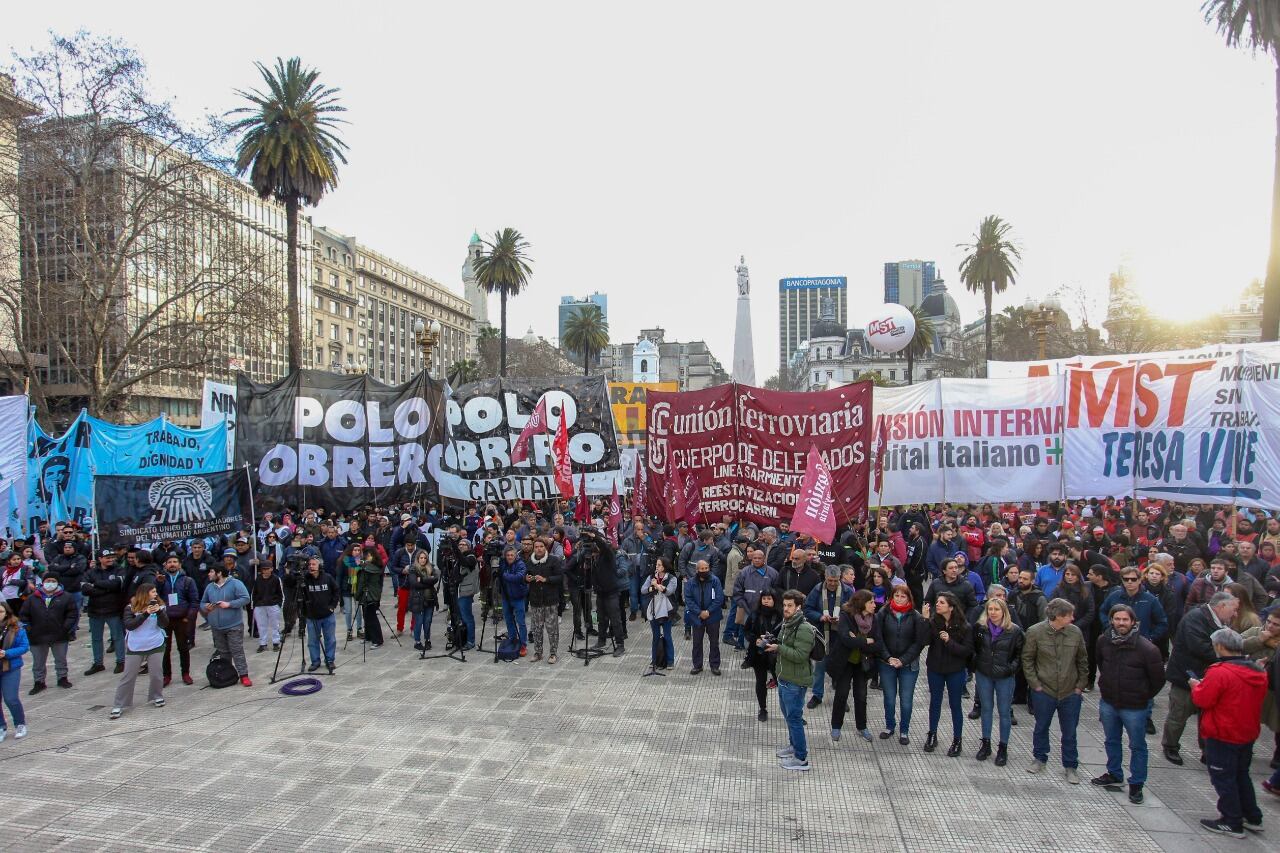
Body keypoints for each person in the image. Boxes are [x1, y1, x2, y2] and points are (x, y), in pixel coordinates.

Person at [1191, 627, 1267, 838]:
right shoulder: (1257, 671)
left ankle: (1231, 820)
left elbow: (1202, 700)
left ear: (1220, 647)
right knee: (1241, 774)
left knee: (1223, 778)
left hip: (1223, 732)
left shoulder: (1219, 672)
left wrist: (1196, 686)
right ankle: (1252, 816)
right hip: (1247, 731)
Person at [1091, 603, 1165, 804]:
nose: (1121, 623)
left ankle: (1137, 783)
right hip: (1109, 702)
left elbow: (1158, 679)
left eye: (1125, 619)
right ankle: (1114, 773)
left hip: (1135, 706)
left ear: (1133, 622)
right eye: (1117, 619)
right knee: (1111, 740)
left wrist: (1143, 695)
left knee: (1137, 745)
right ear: (1111, 621)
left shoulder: (1147, 649)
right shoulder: (1103, 641)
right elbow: (1100, 664)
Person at [1161, 590, 1240, 766]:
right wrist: (1229, 656)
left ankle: (1206, 750)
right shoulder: (1195, 618)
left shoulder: (1219, 621)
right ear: (1221, 606)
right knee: (1179, 714)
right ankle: (1170, 746)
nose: (1235, 614)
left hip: (1207, 679)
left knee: (1206, 717)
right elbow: (1200, 648)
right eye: (1233, 609)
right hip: (1187, 677)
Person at [1022, 597, 1088, 783]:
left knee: (1070, 731)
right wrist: (1035, 685)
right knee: (1041, 726)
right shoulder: (1035, 632)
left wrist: (1079, 686)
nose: (1072, 619)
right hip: (1045, 690)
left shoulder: (1075, 633)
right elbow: (1027, 660)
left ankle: (1070, 766)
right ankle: (1039, 758)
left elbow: (1083, 661)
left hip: (1070, 692)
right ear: (1058, 616)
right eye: (1069, 616)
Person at [872, 585, 929, 745]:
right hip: (886, 662)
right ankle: (890, 726)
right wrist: (888, 657)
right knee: (889, 698)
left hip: (908, 665)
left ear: (909, 598)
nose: (899, 599)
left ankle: (904, 730)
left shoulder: (915, 616)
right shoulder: (883, 613)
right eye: (896, 596)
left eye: (902, 596)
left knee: (906, 699)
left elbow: (919, 642)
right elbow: (879, 637)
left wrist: (903, 660)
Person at [973, 597, 1023, 766]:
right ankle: (985, 743)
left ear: (1004, 612)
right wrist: (976, 664)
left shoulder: (1014, 630)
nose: (993, 613)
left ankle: (1003, 746)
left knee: (1004, 711)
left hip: (1005, 676)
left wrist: (1011, 669)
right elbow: (974, 648)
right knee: (986, 708)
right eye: (990, 609)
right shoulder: (980, 628)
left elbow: (1019, 654)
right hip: (984, 673)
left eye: (996, 609)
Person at [768, 589, 815, 771]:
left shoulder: (803, 628)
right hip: (784, 677)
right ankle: (794, 746)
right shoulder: (788, 622)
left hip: (795, 681)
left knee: (794, 719)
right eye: (785, 605)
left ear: (798, 607)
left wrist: (778, 648)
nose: (786, 608)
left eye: (790, 606)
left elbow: (800, 655)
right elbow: (782, 643)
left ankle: (801, 758)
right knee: (789, 717)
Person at [924, 591, 974, 757]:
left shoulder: (965, 626)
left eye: (942, 602)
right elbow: (924, 641)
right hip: (935, 669)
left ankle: (957, 739)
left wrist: (949, 642)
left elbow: (966, 651)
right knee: (935, 703)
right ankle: (932, 734)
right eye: (937, 602)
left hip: (955, 670)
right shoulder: (933, 623)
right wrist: (924, 621)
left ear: (951, 607)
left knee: (955, 705)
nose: (937, 604)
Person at [110, 583, 167, 720]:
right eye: (153, 592)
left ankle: (157, 696)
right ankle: (119, 704)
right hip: (135, 646)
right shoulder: (130, 607)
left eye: (155, 592)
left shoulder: (160, 605)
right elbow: (130, 625)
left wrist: (159, 612)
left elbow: (164, 624)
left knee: (156, 674)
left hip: (155, 643)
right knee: (128, 676)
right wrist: (146, 613)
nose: (155, 594)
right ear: (144, 593)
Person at [827, 589, 877, 742]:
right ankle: (836, 726)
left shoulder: (875, 618)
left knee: (861, 695)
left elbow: (878, 643)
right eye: (871, 602)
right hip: (845, 662)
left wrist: (858, 640)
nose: (874, 605)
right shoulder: (846, 616)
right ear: (862, 603)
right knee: (841, 694)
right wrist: (865, 640)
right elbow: (845, 639)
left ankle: (862, 726)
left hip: (863, 662)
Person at [19, 572, 77, 694]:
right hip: (37, 636)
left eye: (53, 581)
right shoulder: (32, 598)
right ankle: (39, 682)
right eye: (48, 581)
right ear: (43, 582)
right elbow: (24, 616)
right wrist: (29, 629)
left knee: (61, 659)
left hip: (59, 635)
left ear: (58, 582)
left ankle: (62, 678)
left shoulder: (66, 597)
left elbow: (72, 614)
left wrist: (65, 628)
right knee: (38, 661)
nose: (50, 583)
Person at [804, 565, 851, 711]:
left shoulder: (847, 591)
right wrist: (820, 617)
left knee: (841, 667)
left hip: (840, 636)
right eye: (830, 580)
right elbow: (807, 609)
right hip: (822, 635)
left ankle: (841, 696)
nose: (832, 583)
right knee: (819, 667)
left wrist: (841, 619)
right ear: (825, 578)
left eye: (835, 581)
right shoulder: (817, 590)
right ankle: (817, 695)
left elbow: (853, 611)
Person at [200, 557, 252, 687]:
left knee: (237, 650)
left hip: (234, 625)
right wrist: (206, 607)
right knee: (223, 652)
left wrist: (229, 604)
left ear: (219, 573)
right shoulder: (209, 587)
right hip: (216, 626)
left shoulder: (235, 583)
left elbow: (245, 598)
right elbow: (202, 602)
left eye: (211, 572)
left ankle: (243, 675)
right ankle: (226, 674)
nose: (209, 574)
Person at [80, 549, 127, 676]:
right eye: (107, 557)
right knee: (96, 639)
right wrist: (107, 588)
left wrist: (96, 584)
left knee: (118, 637)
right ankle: (98, 663)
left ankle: (121, 661)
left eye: (112, 557)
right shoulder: (91, 572)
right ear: (100, 559)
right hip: (95, 610)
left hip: (113, 610)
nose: (110, 559)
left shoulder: (119, 570)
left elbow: (117, 584)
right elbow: (85, 589)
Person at [154, 555, 199, 688]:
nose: (172, 564)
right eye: (169, 562)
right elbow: (154, 597)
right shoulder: (160, 579)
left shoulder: (187, 580)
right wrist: (159, 583)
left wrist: (189, 617)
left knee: (183, 648)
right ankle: (166, 675)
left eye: (175, 562)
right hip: (165, 619)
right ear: (165, 565)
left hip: (182, 618)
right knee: (165, 649)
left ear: (179, 565)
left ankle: (185, 673)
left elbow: (194, 601)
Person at [524, 539, 561, 663]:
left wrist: (546, 579)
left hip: (550, 600)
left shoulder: (553, 560)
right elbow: (526, 575)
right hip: (535, 600)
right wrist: (527, 579)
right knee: (537, 629)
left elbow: (560, 577)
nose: (538, 549)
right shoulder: (530, 561)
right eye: (536, 547)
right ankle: (538, 652)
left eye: (541, 546)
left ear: (545, 547)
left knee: (552, 629)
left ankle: (553, 653)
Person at [301, 557, 340, 673]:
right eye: (310, 565)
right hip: (312, 616)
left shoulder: (327, 578)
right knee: (312, 641)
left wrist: (333, 606)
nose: (311, 566)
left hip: (327, 615)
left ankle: (330, 660)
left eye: (314, 564)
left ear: (319, 566)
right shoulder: (305, 579)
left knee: (330, 639)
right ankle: (315, 661)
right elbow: (290, 583)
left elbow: (336, 591)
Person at [685, 559, 723, 675]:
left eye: (706, 568)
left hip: (713, 616)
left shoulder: (715, 581)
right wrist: (699, 612)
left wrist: (708, 611)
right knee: (697, 642)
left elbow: (719, 598)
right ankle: (697, 665)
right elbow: (688, 599)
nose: (705, 570)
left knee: (714, 642)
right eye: (702, 569)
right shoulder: (691, 582)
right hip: (697, 617)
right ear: (697, 570)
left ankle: (715, 665)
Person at [642, 557, 678, 671]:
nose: (656, 567)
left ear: (665, 566)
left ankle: (670, 661)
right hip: (654, 610)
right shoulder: (651, 577)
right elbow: (643, 590)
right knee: (655, 637)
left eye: (659, 565)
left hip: (666, 611)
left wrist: (658, 586)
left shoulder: (672, 578)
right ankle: (654, 660)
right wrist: (653, 586)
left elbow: (669, 591)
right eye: (656, 565)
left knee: (667, 636)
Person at [0, 607, 29, 740]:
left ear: (7, 612)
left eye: (0, 611)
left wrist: (7, 653)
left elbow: (24, 647)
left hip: (10, 668)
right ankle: (1, 726)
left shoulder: (16, 628)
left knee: (11, 698)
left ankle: (20, 724)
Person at [407, 550, 440, 652]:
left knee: (427, 622)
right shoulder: (413, 568)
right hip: (418, 600)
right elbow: (414, 583)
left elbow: (435, 579)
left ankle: (427, 639)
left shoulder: (431, 567)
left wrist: (421, 579)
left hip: (430, 599)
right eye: (421, 558)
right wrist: (428, 581)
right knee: (419, 622)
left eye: (425, 558)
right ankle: (417, 642)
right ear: (418, 559)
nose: (423, 560)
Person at [499, 545, 529, 656]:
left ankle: (523, 644)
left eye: (512, 555)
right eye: (508, 555)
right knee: (508, 619)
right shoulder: (503, 563)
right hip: (506, 597)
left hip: (518, 597)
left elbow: (518, 577)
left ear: (516, 555)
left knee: (521, 622)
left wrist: (504, 575)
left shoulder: (520, 564)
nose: (510, 557)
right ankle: (512, 638)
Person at [251, 561, 284, 653]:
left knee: (275, 625)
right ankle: (263, 643)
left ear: (271, 569)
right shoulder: (258, 579)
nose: (265, 571)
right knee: (261, 625)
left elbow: (281, 593)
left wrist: (279, 605)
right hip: (260, 605)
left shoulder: (276, 579)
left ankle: (276, 643)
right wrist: (254, 604)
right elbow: (254, 592)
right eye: (263, 569)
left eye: (267, 569)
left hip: (273, 605)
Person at [357, 549, 385, 649]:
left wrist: (357, 595)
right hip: (375, 595)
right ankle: (368, 636)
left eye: (367, 556)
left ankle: (377, 640)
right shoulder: (378, 567)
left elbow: (362, 583)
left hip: (368, 595)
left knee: (371, 617)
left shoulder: (367, 569)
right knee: (367, 616)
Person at [339, 543, 366, 641]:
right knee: (348, 610)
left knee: (358, 609)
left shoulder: (361, 562)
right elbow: (340, 576)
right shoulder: (344, 561)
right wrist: (339, 590)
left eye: (359, 550)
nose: (357, 552)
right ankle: (349, 630)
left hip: (357, 588)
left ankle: (359, 629)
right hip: (346, 588)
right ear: (351, 551)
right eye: (355, 550)